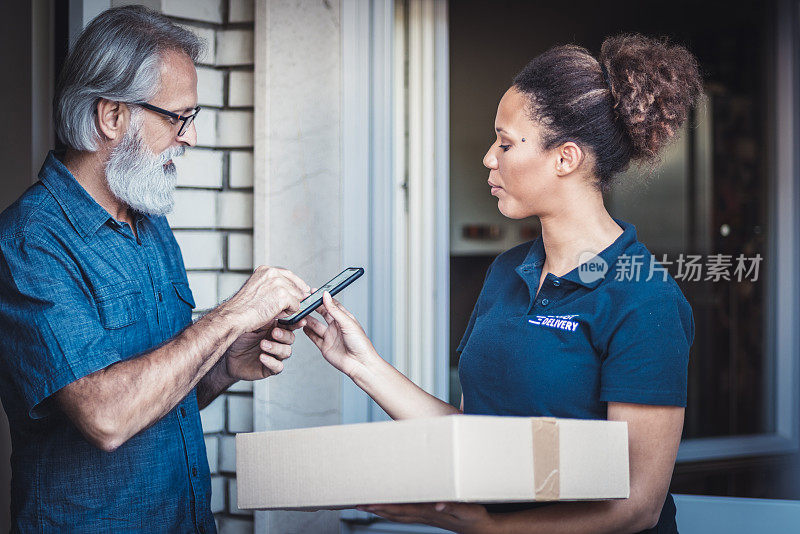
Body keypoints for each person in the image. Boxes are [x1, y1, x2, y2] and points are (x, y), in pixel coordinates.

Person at [303, 34, 701, 534]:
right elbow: (476, 440)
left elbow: (636, 506)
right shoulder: (508, 271)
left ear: (566, 158)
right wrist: (359, 363)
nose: (490, 158)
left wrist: (489, 528)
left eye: (506, 143)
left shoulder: (645, 300)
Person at [0, 6, 309, 532]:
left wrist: (225, 363)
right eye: (177, 117)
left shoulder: (147, 220)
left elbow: (159, 397)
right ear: (112, 116)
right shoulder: (30, 242)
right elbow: (108, 416)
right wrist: (231, 315)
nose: (188, 137)